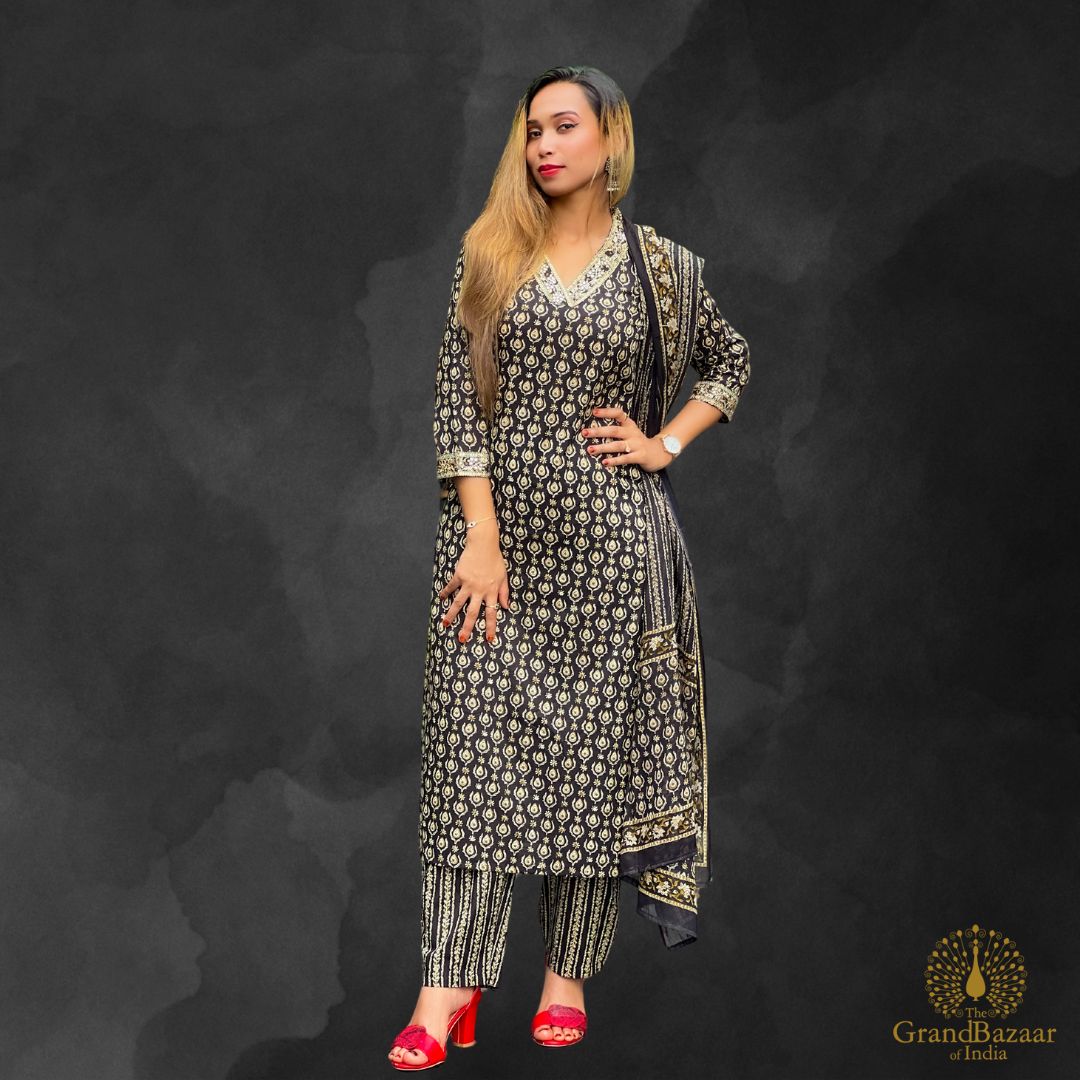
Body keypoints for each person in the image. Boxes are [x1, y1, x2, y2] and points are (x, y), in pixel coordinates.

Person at [388, 64, 751, 1070]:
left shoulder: (664, 269)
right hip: (494, 552)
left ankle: (566, 975)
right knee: (469, 762)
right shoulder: (490, 256)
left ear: (610, 137)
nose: (544, 146)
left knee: (586, 769)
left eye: (563, 126)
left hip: (611, 550)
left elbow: (728, 361)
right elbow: (458, 405)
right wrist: (481, 533)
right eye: (532, 131)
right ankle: (447, 985)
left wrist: (664, 443)